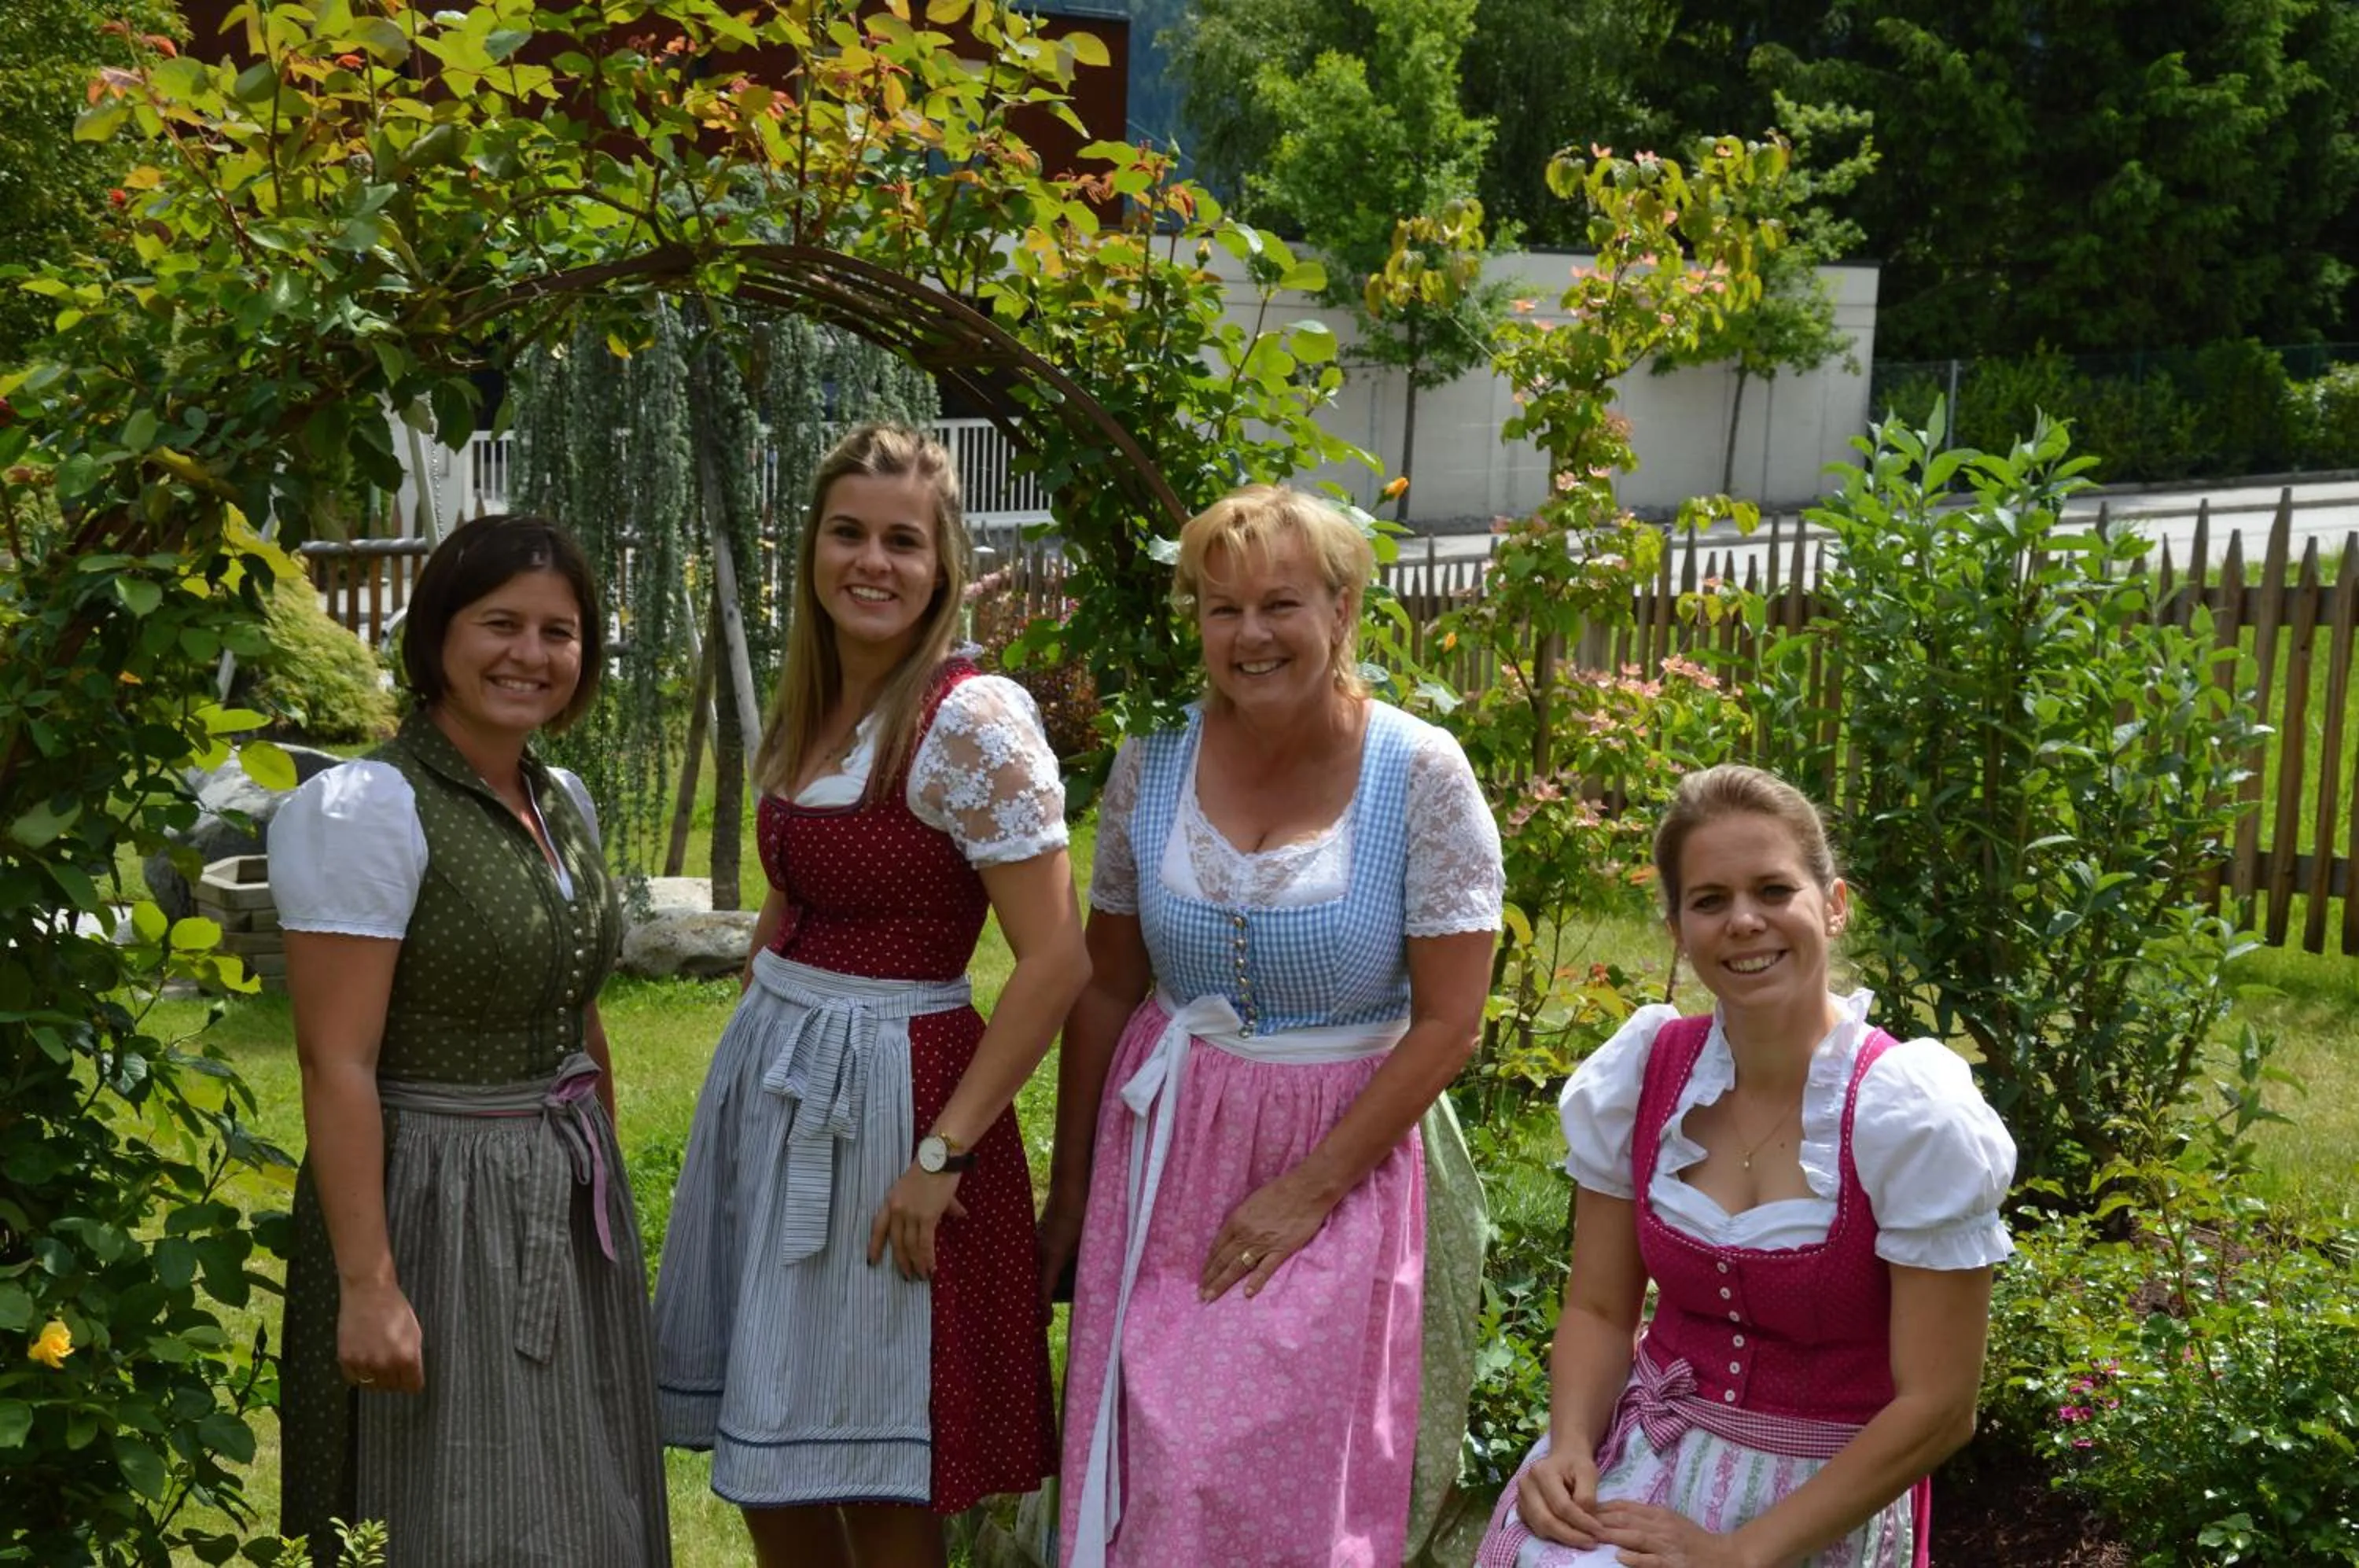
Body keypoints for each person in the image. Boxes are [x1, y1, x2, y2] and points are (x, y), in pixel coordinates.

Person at [651, 423, 1088, 1568]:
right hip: (781, 1082)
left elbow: (1055, 962)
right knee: (772, 1452)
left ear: (944, 562)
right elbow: (799, 892)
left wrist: (941, 1158)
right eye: (848, 532)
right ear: (810, 549)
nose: (873, 562)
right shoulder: (812, 704)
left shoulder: (970, 721)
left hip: (899, 1098)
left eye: (904, 540)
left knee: (878, 1468)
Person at [1043, 484, 1503, 1568]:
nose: (1249, 635)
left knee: (1271, 1477)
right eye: (1221, 608)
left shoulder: (1420, 773)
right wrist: (1069, 1192)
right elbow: (1106, 987)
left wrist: (1312, 1187)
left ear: (1342, 611)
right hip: (1163, 1152)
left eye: (1280, 604)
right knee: (1157, 1464)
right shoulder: (1149, 769)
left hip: (1342, 1154)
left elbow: (1449, 1022)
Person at [1476, 764, 2019, 1568]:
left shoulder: (1907, 1112)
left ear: (1833, 906)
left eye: (1773, 889)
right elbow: (1596, 1307)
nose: (1743, 920)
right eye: (1709, 899)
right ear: (1676, 926)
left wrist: (1739, 1553)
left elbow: (1940, 1406)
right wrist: (1569, 1447)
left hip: (1820, 1508)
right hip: (1645, 1457)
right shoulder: (1646, 1074)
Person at [270, 514, 669, 1566]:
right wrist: (369, 1283)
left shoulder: (562, 801)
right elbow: (336, 1060)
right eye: (501, 623)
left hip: (559, 1191)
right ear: (439, 634)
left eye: (559, 632)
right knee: (452, 1507)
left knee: (577, 1493)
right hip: (433, 1201)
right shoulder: (367, 812)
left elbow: (578, 1013)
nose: (530, 655)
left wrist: (608, 1203)